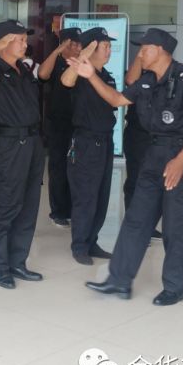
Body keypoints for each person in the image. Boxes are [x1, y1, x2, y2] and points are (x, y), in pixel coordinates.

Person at [80, 28, 183, 306]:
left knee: (173, 225)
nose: (140, 54)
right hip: (153, 155)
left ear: (161, 50)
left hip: (181, 156)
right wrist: (91, 75)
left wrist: (180, 160)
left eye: (145, 49)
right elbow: (116, 99)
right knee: (136, 219)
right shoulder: (148, 81)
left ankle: (175, 287)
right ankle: (119, 280)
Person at [0, 20, 45, 289]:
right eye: (20, 39)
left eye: (25, 39)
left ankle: (18, 262)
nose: (25, 44)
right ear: (4, 42)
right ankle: (1, 267)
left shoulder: (24, 69)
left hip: (33, 143)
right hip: (8, 145)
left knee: (28, 206)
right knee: (4, 205)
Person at [60, 27, 118, 265]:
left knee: (101, 196)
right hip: (85, 143)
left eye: (110, 47)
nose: (109, 51)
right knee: (85, 196)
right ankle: (80, 246)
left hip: (105, 141)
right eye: (104, 46)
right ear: (91, 48)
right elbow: (66, 81)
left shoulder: (107, 76)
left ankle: (92, 241)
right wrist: (83, 55)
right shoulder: (79, 73)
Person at [39, 27, 82, 227]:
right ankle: (58, 211)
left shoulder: (81, 65)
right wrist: (57, 51)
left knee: (75, 168)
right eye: (73, 44)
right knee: (58, 168)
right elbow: (43, 75)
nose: (77, 48)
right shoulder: (55, 62)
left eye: (79, 44)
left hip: (78, 124)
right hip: (58, 124)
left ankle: (72, 208)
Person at [121, 56, 162, 242]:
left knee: (155, 183)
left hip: (158, 136)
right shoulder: (138, 73)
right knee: (136, 181)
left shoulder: (164, 74)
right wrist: (139, 56)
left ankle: (148, 225)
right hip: (137, 135)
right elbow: (130, 80)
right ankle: (134, 226)